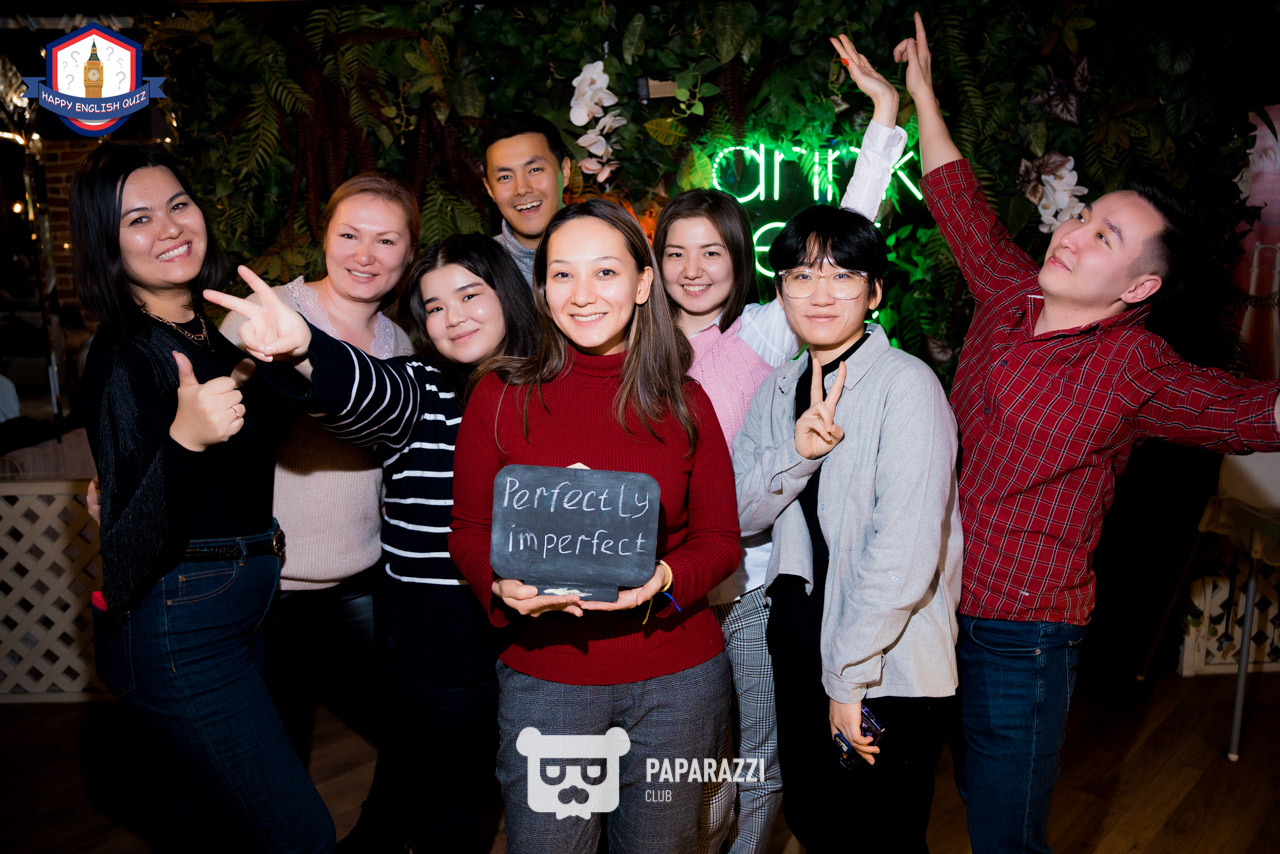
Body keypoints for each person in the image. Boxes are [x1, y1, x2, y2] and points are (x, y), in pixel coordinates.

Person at [892, 14, 1280, 853]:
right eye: (1084, 216)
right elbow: (958, 199)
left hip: (1021, 636)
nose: (1070, 231)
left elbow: (1251, 412)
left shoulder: (1134, 366)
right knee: (899, 810)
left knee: (1004, 833)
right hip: (922, 604)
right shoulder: (1012, 293)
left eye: (1104, 236)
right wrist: (922, 92)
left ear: (1138, 287)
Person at [652, 38, 907, 854]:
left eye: (712, 252)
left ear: (740, 261)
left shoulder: (764, 331)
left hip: (752, 581)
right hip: (663, 585)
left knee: (761, 750)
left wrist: (885, 116)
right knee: (681, 759)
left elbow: (845, 236)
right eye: (675, 254)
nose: (694, 270)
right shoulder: (633, 348)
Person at [207, 233, 540, 853]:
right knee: (452, 804)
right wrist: (307, 348)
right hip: (440, 633)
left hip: (537, 636)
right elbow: (365, 391)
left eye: (469, 294)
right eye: (434, 306)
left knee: (471, 774)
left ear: (508, 295)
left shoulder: (552, 388)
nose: (452, 316)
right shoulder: (420, 386)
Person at [448, 199, 742, 854]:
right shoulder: (499, 395)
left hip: (678, 684)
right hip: (549, 683)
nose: (582, 295)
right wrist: (498, 583)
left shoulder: (685, 401)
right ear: (541, 288)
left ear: (642, 284)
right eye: (562, 274)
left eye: (605, 272)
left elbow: (720, 542)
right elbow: (467, 528)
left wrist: (664, 579)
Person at [73, 141, 334, 853]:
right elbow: (127, 553)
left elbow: (287, 424)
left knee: (227, 826)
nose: (170, 228)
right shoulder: (123, 356)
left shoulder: (211, 330)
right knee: (302, 835)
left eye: (179, 205)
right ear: (105, 241)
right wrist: (184, 442)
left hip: (246, 600)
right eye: (138, 220)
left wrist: (282, 357)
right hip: (181, 623)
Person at [732, 194, 962, 854]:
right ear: (781, 292)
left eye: (842, 275)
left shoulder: (906, 385)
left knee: (879, 834)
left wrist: (848, 678)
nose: (820, 293)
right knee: (815, 822)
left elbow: (906, 550)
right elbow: (740, 511)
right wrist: (797, 454)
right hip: (798, 642)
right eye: (802, 275)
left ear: (875, 292)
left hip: (883, 659)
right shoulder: (778, 390)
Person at [219, 173, 416, 850]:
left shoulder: (401, 343)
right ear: (324, 236)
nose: (365, 254)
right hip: (267, 589)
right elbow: (200, 417)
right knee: (270, 772)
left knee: (417, 728)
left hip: (362, 582)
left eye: (386, 240)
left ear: (407, 254)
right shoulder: (270, 311)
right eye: (349, 234)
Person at [481, 112, 573, 283]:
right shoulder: (479, 272)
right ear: (489, 189)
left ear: (565, 171)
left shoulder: (609, 248)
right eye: (505, 177)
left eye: (535, 170)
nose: (522, 189)